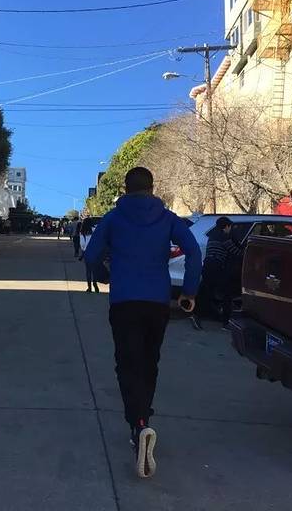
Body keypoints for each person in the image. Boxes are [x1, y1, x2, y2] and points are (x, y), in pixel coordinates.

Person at [84, 167, 201, 479]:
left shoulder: (113, 218)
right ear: (152, 188)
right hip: (157, 303)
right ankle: (144, 417)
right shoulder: (168, 218)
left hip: (124, 302)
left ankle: (138, 425)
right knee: (149, 362)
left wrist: (104, 276)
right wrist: (189, 291)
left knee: (127, 364)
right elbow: (193, 252)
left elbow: (92, 254)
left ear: (125, 188)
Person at [193, 217, 243, 331]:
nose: (230, 229)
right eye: (230, 227)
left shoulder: (212, 236)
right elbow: (237, 252)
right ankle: (225, 323)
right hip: (216, 267)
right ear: (226, 227)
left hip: (207, 266)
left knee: (205, 292)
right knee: (227, 294)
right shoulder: (224, 238)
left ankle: (196, 315)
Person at [79, 218, 99, 293]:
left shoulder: (82, 232)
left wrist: (83, 250)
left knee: (88, 270)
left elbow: (82, 244)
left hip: (87, 252)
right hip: (95, 252)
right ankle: (95, 284)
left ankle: (89, 287)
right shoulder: (95, 230)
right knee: (95, 270)